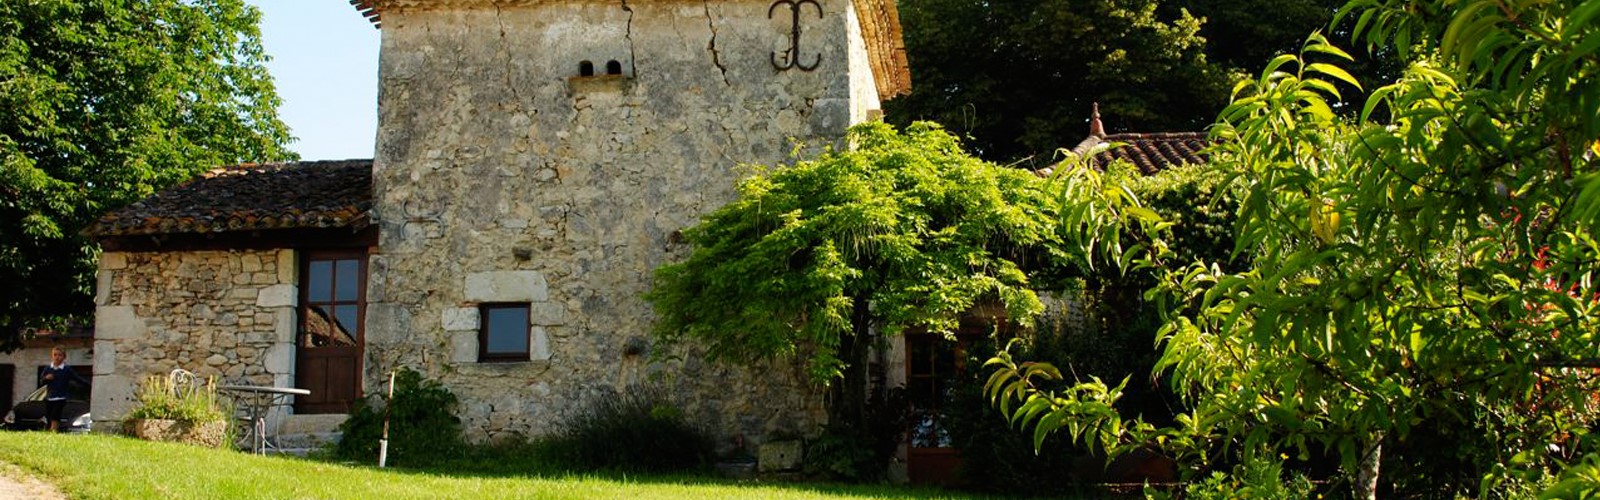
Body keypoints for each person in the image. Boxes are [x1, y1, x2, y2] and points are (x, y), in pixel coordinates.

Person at [38, 346, 90, 432]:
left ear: (64, 357)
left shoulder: (66, 370)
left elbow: (77, 378)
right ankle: (50, 429)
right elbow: (41, 382)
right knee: (49, 415)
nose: (57, 357)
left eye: (60, 355)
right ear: (52, 356)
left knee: (56, 414)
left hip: (61, 397)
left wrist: (89, 385)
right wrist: (46, 378)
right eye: (55, 355)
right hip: (50, 397)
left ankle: (54, 430)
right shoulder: (48, 369)